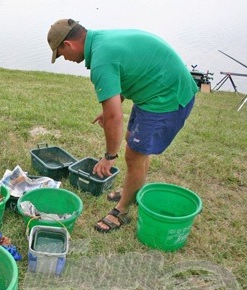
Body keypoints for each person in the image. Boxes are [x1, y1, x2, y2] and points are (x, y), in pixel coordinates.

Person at [47, 19, 198, 233]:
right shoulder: (100, 40)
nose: (66, 59)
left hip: (167, 96)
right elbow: (131, 70)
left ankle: (123, 210)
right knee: (133, 144)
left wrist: (109, 157)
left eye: (61, 54)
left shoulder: (101, 60)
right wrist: (111, 108)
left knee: (134, 154)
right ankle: (133, 190)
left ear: (68, 45)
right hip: (154, 88)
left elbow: (114, 118)